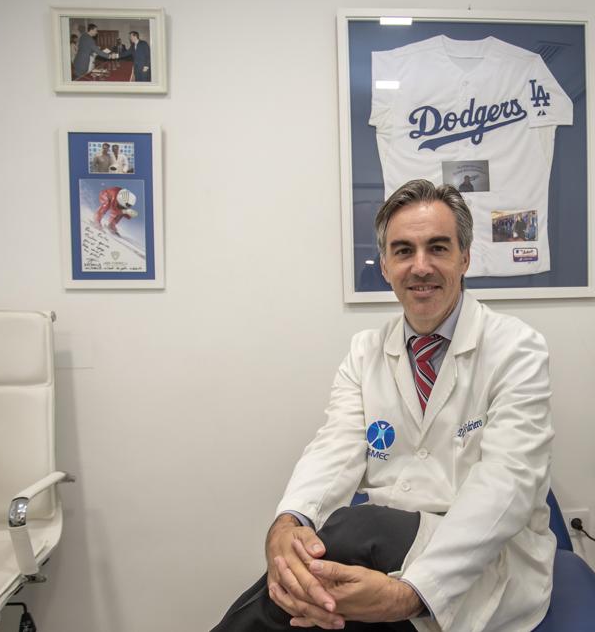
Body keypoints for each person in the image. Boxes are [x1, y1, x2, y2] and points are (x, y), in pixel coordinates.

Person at [210, 179, 555, 632]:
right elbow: (333, 449)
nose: (421, 266)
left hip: (482, 562)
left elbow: (507, 485)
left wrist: (409, 594)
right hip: (379, 555)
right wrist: (287, 523)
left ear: (465, 258)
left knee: (353, 528)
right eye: (404, 251)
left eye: (438, 248)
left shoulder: (516, 349)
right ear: (386, 266)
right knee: (313, 563)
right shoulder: (364, 353)